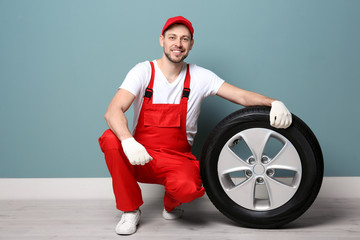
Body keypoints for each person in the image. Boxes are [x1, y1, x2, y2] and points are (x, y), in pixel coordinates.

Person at [98, 16, 292, 235]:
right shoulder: (143, 71)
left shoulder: (200, 76)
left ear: (191, 44)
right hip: (140, 155)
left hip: (176, 158)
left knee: (189, 189)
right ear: (161, 40)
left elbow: (241, 96)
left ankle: (171, 203)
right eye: (172, 37)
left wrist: (273, 102)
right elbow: (112, 110)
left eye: (184, 39)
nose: (177, 44)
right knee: (110, 138)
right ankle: (130, 211)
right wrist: (128, 141)